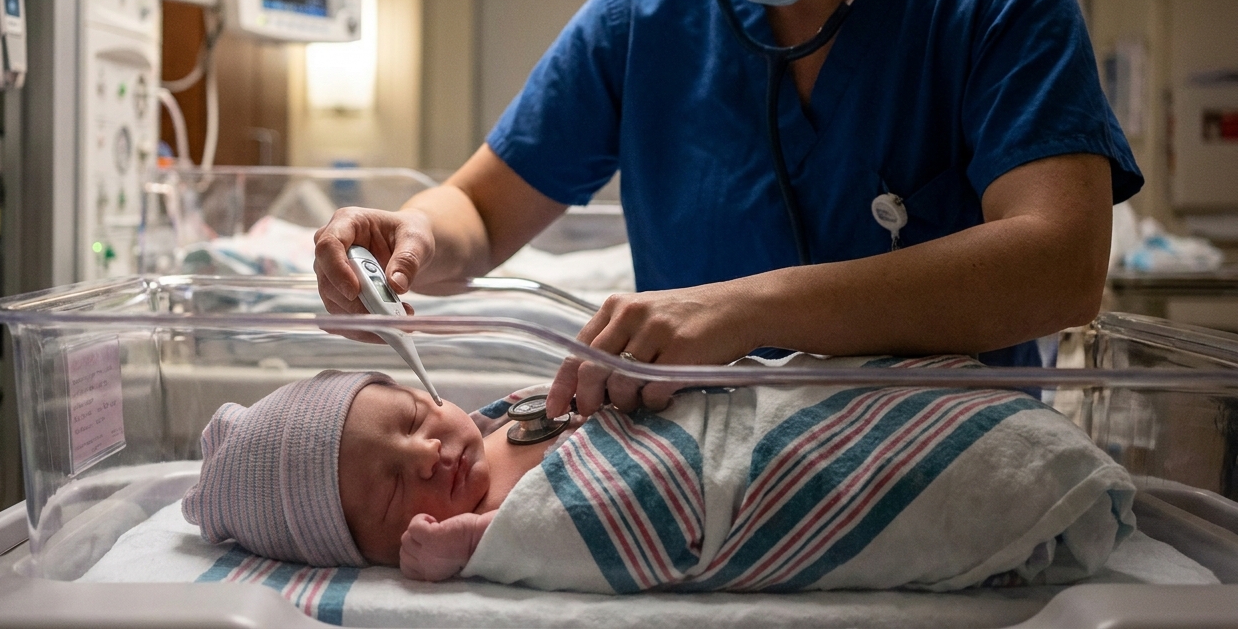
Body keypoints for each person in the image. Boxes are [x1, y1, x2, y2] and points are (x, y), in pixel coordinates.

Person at [313, 0, 1142, 418]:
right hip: (700, 473)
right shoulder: (643, 18)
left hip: (942, 469)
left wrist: (745, 310)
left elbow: (1060, 265)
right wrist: (416, 229)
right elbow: (483, 215)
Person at [180, 369, 1136, 592]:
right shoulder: (494, 509)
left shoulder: (507, 409)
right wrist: (472, 544)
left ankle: (1013, 452)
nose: (428, 453)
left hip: (774, 415)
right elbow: (577, 521)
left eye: (408, 420)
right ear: (377, 548)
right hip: (719, 489)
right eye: (395, 491)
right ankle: (1013, 497)